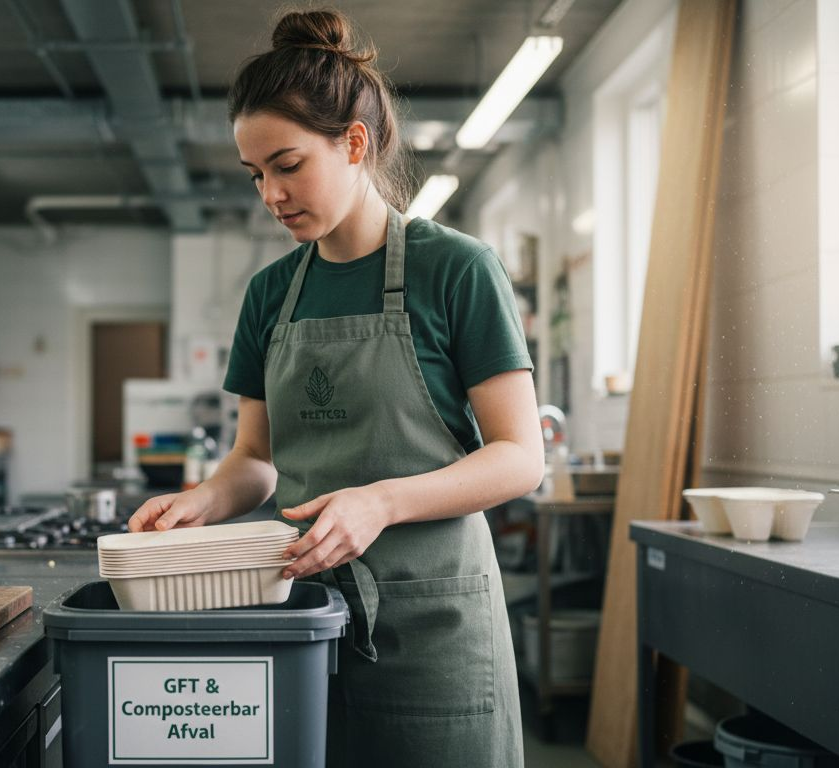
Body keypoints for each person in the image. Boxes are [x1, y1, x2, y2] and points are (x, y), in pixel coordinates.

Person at [128, 8, 543, 767]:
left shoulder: (455, 268)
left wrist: (379, 502)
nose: (270, 196)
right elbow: (255, 455)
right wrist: (202, 500)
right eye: (256, 175)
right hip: (303, 616)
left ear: (354, 144)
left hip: (434, 622)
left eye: (288, 166)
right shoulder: (270, 293)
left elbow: (520, 458)